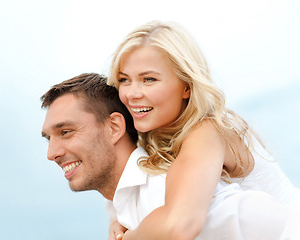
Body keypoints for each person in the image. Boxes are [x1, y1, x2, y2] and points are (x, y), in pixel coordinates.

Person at [41, 73, 297, 240]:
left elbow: (276, 225)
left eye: (66, 132)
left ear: (115, 128)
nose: (52, 153)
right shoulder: (126, 203)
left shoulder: (167, 191)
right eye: (49, 138)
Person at [107, 20, 300, 238]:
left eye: (149, 79)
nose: (132, 93)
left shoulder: (208, 129)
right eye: (124, 79)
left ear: (186, 87)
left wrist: (129, 236)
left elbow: (181, 224)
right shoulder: (158, 137)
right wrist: (120, 217)